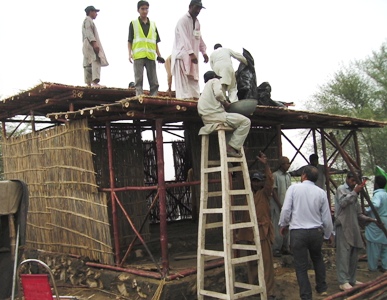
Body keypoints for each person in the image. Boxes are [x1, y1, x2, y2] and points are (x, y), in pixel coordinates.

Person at [279, 165, 334, 300]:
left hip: (298, 233)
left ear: (303, 175)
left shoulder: (293, 189)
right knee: (317, 258)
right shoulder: (321, 192)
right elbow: (326, 216)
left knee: (301, 265)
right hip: (316, 232)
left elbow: (286, 210)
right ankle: (322, 288)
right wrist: (329, 234)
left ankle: (306, 296)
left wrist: (283, 224)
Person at [237, 152, 276, 300]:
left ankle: (269, 292)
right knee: (252, 262)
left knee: (266, 263)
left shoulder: (265, 193)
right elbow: (241, 178)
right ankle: (254, 288)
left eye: (258, 181)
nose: (255, 183)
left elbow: (270, 181)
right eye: (253, 181)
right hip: (249, 232)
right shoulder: (247, 193)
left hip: (262, 231)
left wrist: (265, 164)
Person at [334, 171, 377, 290]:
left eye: (355, 181)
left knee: (353, 254)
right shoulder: (341, 189)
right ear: (348, 179)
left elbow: (358, 213)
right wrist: (354, 192)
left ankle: (351, 279)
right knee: (343, 254)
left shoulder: (355, 193)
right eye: (352, 180)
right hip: (343, 225)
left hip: (353, 226)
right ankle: (343, 281)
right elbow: (343, 203)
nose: (354, 183)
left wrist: (371, 219)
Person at [197, 71, 251, 157]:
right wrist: (225, 103)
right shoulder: (214, 81)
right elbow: (218, 94)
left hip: (207, 119)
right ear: (214, 76)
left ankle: (226, 148)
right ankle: (230, 147)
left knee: (232, 126)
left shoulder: (204, 93)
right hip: (216, 115)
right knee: (246, 122)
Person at [171, 0, 208, 100]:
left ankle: (195, 100)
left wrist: (203, 52)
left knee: (193, 80)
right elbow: (184, 38)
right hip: (182, 56)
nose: (198, 10)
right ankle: (185, 100)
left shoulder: (197, 22)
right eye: (196, 8)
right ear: (190, 7)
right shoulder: (183, 20)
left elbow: (199, 37)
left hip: (193, 57)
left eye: (200, 8)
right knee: (183, 85)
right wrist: (191, 54)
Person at [128, 1, 165, 96]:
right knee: (138, 80)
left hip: (150, 56)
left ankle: (154, 96)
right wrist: (129, 54)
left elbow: (155, 42)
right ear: (138, 10)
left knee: (153, 80)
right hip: (138, 55)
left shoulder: (153, 24)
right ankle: (139, 96)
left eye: (146, 9)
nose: (145, 11)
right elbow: (130, 40)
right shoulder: (133, 23)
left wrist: (159, 55)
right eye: (142, 9)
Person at [82, 6, 108, 87]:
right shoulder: (88, 20)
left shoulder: (86, 21)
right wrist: (94, 43)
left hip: (86, 44)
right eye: (95, 12)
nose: (96, 14)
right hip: (89, 43)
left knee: (87, 62)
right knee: (95, 59)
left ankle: (88, 82)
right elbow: (89, 32)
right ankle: (95, 82)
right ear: (90, 12)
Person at [365, 175, 387, 273]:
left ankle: (372, 267)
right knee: (385, 245)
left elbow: (375, 205)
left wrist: (366, 211)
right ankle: (385, 266)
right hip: (385, 220)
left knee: (373, 245)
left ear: (376, 185)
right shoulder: (385, 194)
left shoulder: (378, 195)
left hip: (377, 221)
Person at [271, 156, 292, 256]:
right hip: (278, 205)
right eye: (286, 163)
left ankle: (285, 247)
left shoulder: (288, 176)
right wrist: (280, 204)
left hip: (287, 206)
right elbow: (273, 191)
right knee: (277, 226)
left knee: (287, 226)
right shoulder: (275, 175)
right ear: (281, 164)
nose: (288, 165)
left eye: (289, 163)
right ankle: (276, 248)